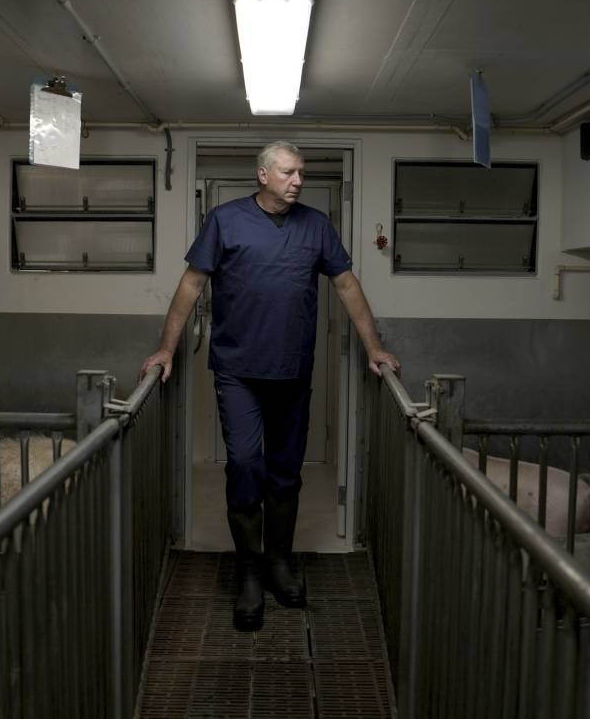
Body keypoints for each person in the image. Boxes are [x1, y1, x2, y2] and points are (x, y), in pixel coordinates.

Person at [140, 140, 399, 632]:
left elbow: (346, 285)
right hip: (238, 372)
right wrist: (166, 349)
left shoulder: (317, 226)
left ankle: (280, 561)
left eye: (301, 172)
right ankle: (250, 573)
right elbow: (192, 285)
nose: (298, 180)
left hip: (294, 371)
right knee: (244, 465)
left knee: (285, 472)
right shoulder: (225, 220)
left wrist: (374, 347)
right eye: (288, 172)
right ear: (262, 175)